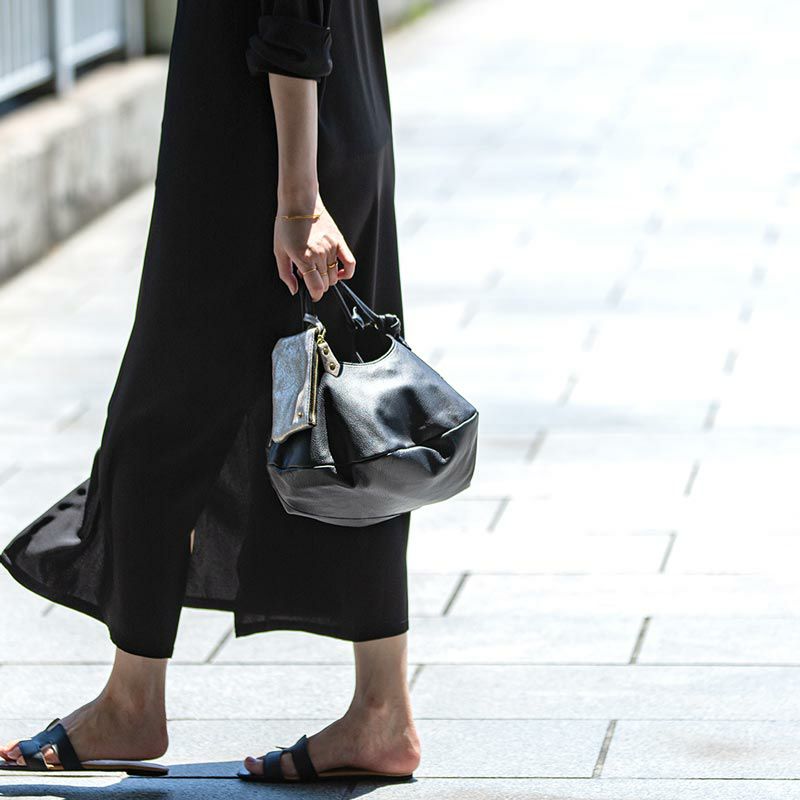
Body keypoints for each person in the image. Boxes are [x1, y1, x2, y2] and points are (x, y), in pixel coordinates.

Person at [0, 0, 421, 783]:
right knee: (351, 416)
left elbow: (291, 14)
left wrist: (297, 199)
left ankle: (135, 701)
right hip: (323, 121)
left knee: (162, 417)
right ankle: (381, 709)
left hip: (261, 151)